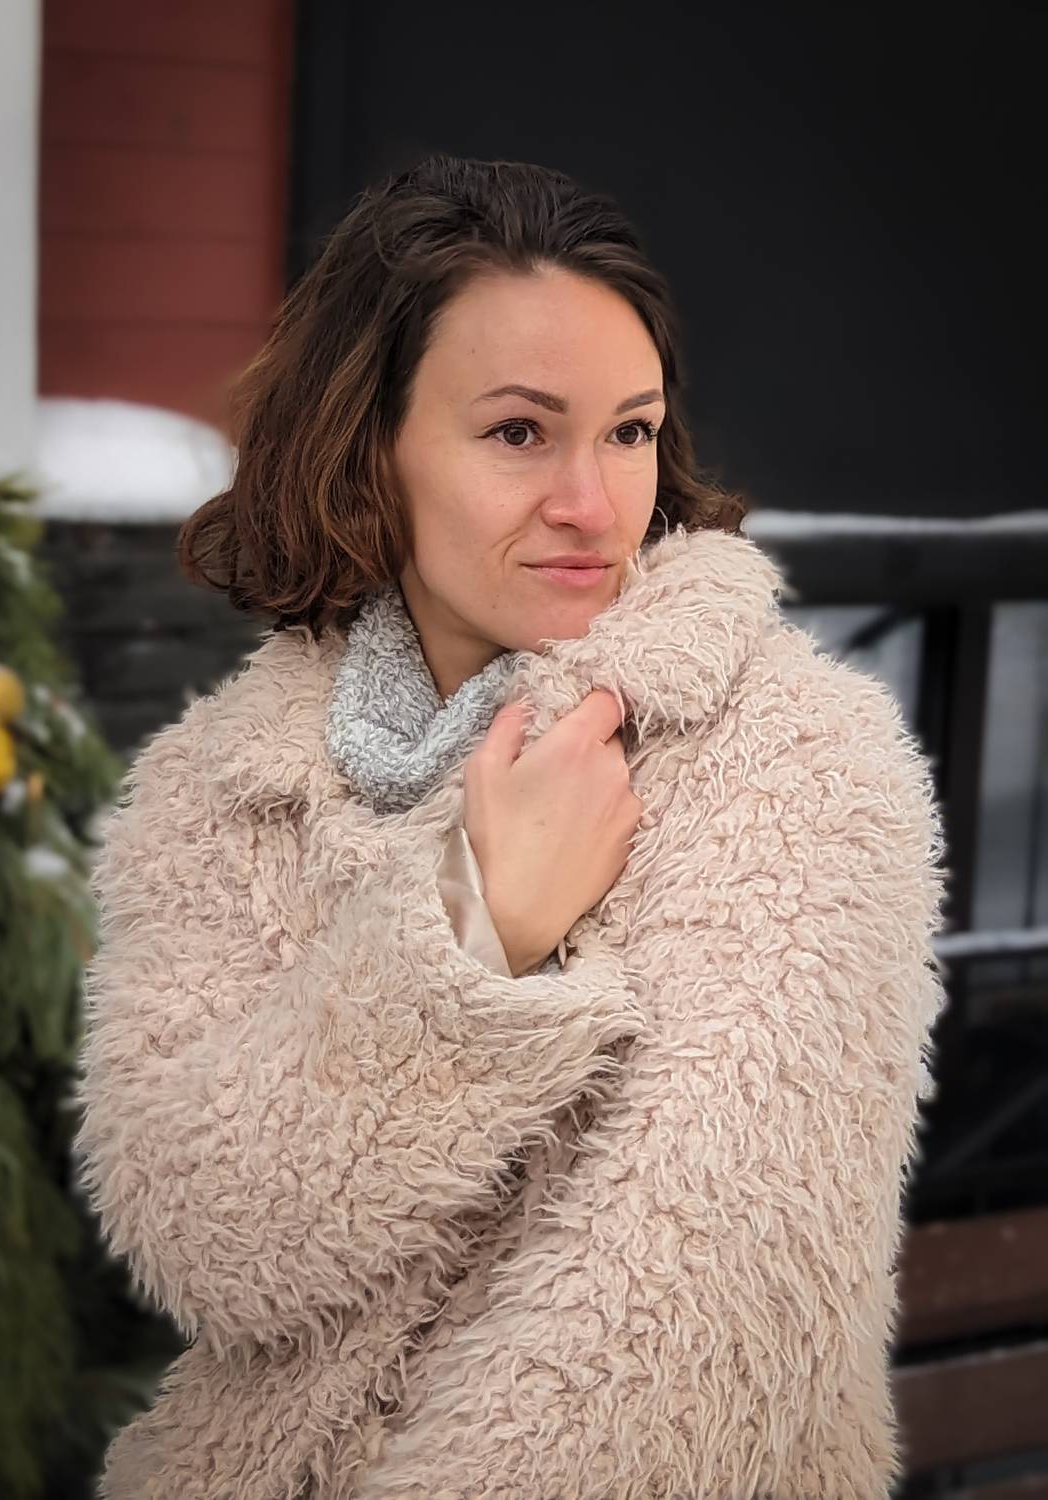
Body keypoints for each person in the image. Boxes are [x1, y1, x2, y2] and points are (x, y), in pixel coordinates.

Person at [73, 154, 948, 1499]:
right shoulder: (221, 785)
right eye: (520, 433)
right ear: (369, 448)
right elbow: (195, 1235)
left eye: (630, 433)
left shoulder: (796, 759)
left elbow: (688, 1335)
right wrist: (471, 931)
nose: (592, 505)